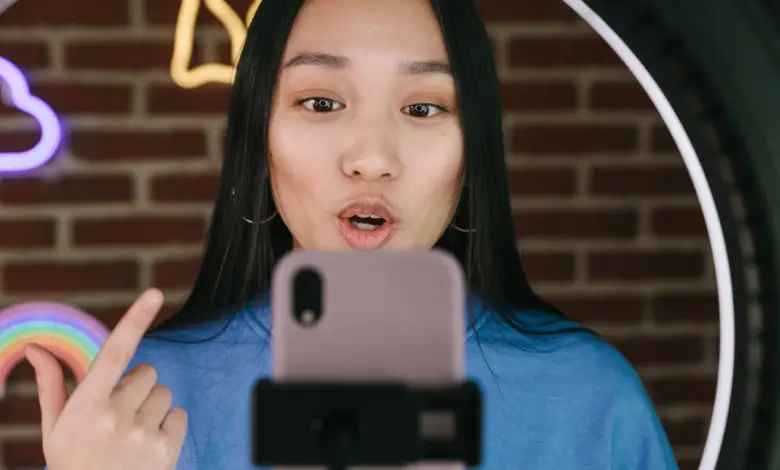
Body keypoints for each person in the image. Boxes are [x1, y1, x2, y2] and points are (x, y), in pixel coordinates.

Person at [25, 0, 679, 468]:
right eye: (322, 102)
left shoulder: (590, 397)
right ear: (261, 139)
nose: (370, 157)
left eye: (423, 108)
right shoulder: (150, 399)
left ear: (472, 149)